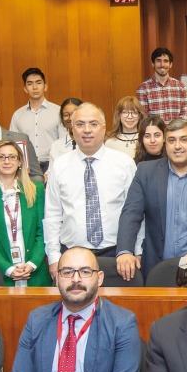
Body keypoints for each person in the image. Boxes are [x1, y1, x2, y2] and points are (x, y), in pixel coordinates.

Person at [7, 247, 141, 372]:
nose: (75, 279)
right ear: (57, 278)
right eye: (67, 272)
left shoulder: (122, 322)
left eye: (85, 271)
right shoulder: (37, 320)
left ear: (99, 278)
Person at [117, 118, 187, 282]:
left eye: (184, 139)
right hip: (156, 268)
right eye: (171, 140)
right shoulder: (145, 172)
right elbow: (131, 213)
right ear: (165, 144)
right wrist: (125, 251)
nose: (177, 146)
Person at [43, 103, 138, 280]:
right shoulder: (60, 166)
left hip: (117, 256)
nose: (87, 130)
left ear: (104, 129)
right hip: (72, 258)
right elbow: (52, 215)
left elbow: (135, 212)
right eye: (80, 124)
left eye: (93, 124)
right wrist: (54, 257)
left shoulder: (124, 163)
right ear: (72, 129)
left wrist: (136, 250)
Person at [0, 139, 52, 287]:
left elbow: (43, 232)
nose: (7, 161)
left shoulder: (37, 190)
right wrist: (7, 268)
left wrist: (33, 263)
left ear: (20, 162)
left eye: (12, 157)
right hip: (1, 275)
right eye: (1, 157)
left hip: (35, 272)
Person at [9, 67, 63, 170]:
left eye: (38, 83)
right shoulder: (18, 115)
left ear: (45, 86)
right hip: (26, 166)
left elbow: (63, 142)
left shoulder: (58, 112)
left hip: (53, 163)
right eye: (30, 84)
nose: (34, 87)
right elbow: (13, 143)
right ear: (25, 89)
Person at [136, 46, 187, 123]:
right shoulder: (143, 88)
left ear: (170, 64)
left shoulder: (181, 87)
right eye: (158, 61)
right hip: (154, 133)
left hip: (175, 133)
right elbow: (144, 117)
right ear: (153, 64)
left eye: (166, 61)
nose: (162, 64)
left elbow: (184, 116)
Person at [47, 97, 83, 162]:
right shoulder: (56, 146)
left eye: (73, 114)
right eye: (66, 115)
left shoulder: (91, 142)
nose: (70, 118)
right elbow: (52, 171)